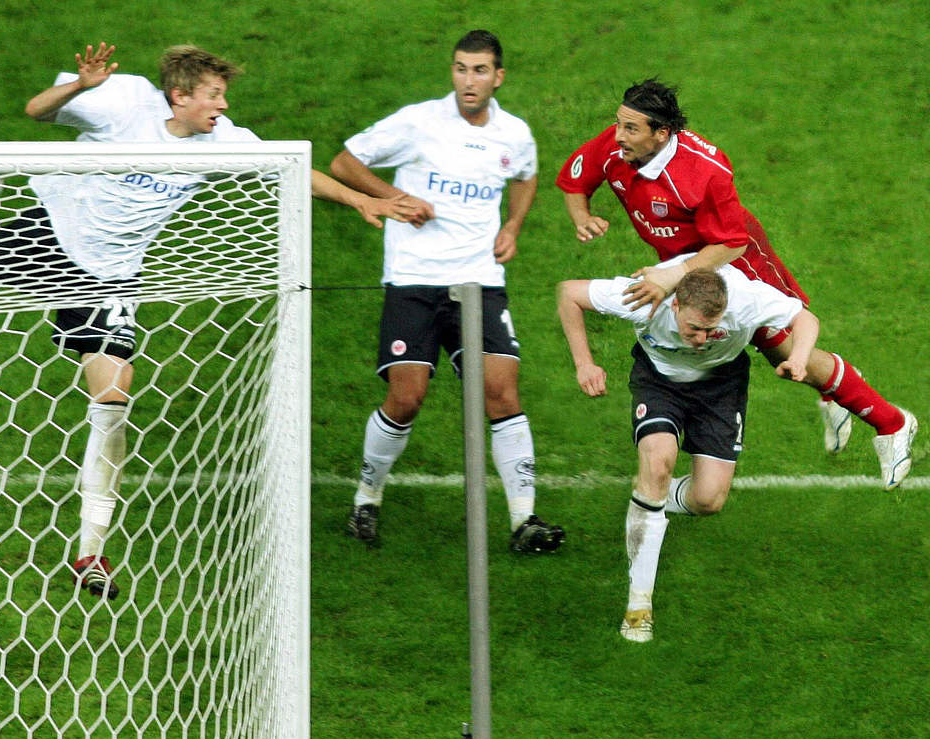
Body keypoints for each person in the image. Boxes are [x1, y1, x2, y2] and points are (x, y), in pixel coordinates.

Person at [0, 43, 424, 600]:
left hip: (108, 279)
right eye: (214, 95)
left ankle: (90, 552)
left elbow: (293, 169)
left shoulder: (223, 140)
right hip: (52, 233)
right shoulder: (123, 103)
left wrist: (360, 201)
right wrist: (80, 84)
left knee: (114, 403)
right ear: (181, 96)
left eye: (223, 96)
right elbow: (37, 111)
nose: (222, 105)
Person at [556, 78, 916, 490]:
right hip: (683, 263)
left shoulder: (703, 172)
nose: (617, 136)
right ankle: (835, 393)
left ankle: (891, 423)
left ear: (661, 133)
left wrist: (674, 275)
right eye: (618, 124)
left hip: (734, 260)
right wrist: (581, 217)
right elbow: (574, 180)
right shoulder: (619, 143)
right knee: (786, 351)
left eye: (630, 129)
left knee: (779, 344)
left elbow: (731, 242)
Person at [327, 29, 564, 552]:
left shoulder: (515, 133)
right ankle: (367, 498)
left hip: (480, 281)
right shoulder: (418, 122)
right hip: (413, 280)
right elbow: (345, 162)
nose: (468, 80)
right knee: (407, 398)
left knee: (502, 391)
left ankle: (524, 519)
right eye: (460, 68)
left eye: (480, 71)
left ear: (498, 77)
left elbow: (526, 175)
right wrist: (395, 197)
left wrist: (513, 228)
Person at [557, 263, 819, 641]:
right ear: (675, 305)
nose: (700, 338)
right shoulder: (643, 296)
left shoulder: (745, 299)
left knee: (708, 499)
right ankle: (638, 606)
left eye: (710, 330)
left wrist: (799, 357)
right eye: (693, 328)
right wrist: (584, 363)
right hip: (659, 382)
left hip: (720, 385)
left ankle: (651, 498)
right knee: (657, 462)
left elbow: (805, 318)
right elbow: (569, 293)